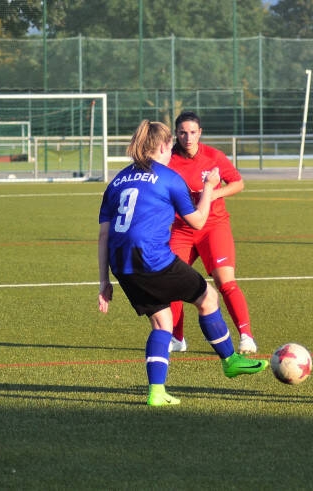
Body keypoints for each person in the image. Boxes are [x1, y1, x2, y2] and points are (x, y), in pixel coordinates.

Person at [97, 120, 267, 407]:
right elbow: (199, 221)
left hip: (121, 264)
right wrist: (209, 187)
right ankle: (230, 360)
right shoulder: (168, 177)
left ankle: (156, 392)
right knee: (208, 296)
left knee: (162, 322)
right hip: (151, 256)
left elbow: (103, 234)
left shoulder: (117, 181)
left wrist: (104, 282)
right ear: (164, 146)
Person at [167, 111, 257, 355]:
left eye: (193, 132)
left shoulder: (213, 156)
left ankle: (246, 336)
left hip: (213, 226)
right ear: (176, 133)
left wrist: (212, 194)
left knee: (225, 282)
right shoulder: (168, 159)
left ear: (200, 133)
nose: (188, 137)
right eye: (183, 132)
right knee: (170, 283)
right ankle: (177, 339)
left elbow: (238, 183)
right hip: (183, 229)